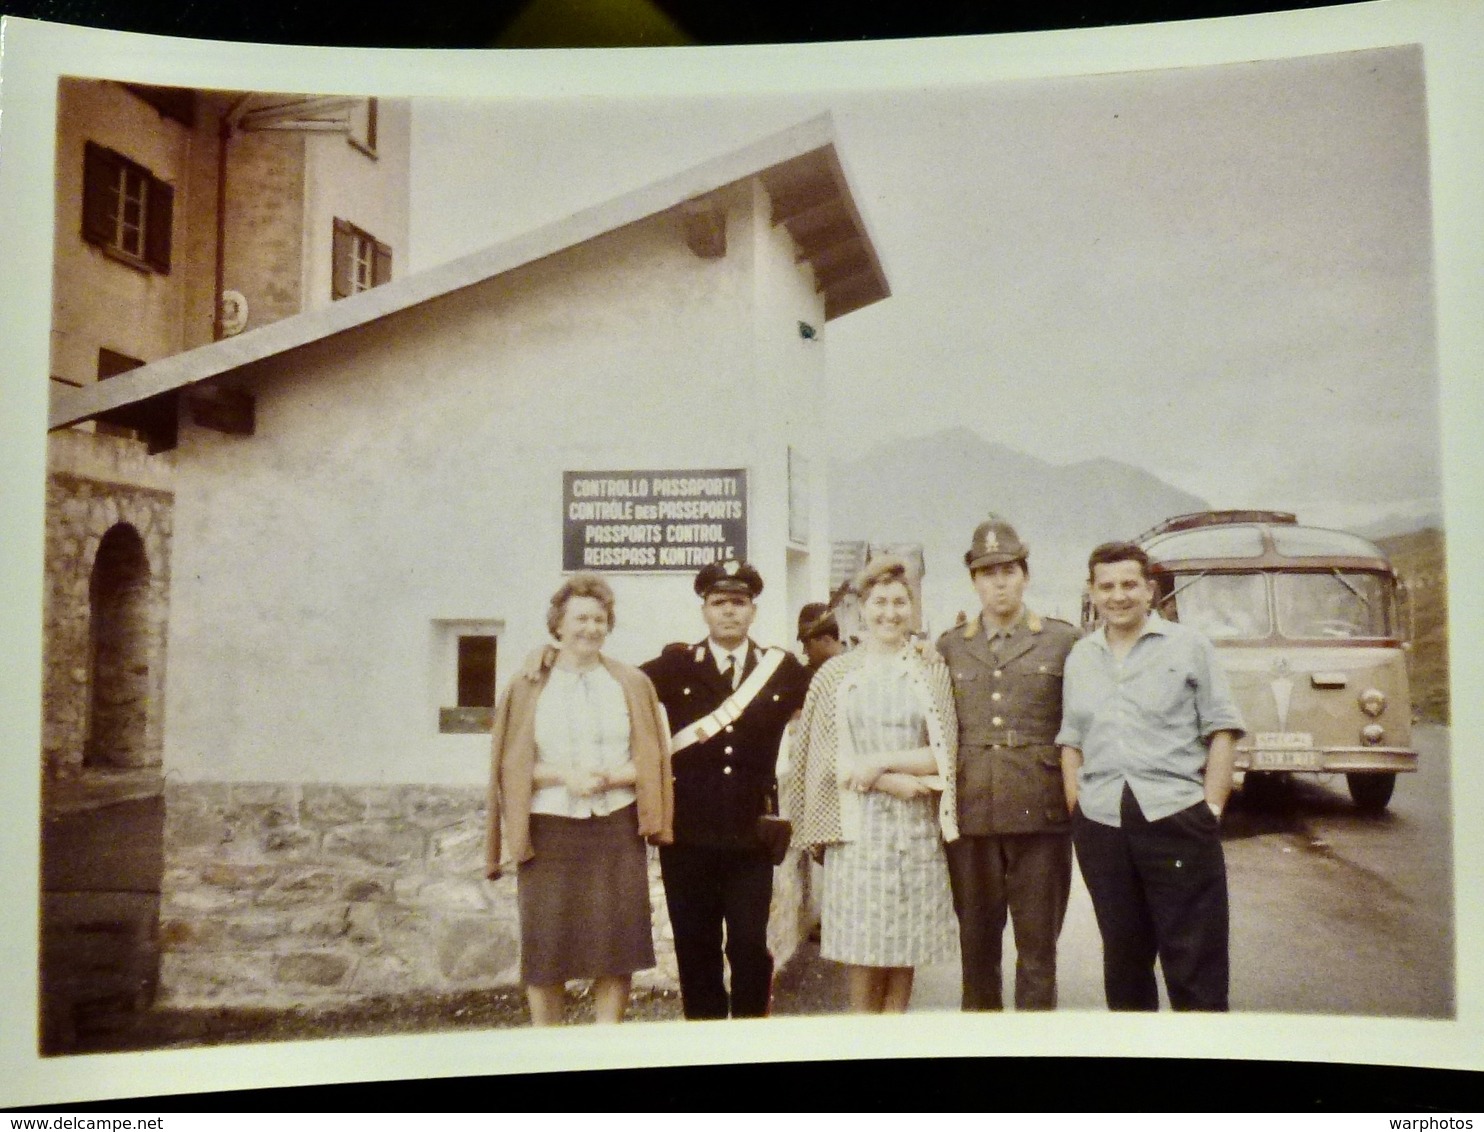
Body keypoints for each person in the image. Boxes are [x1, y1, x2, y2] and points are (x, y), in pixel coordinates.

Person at [1056, 542, 1245, 1011]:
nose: (1117, 596)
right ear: (1092, 592)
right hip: (1102, 826)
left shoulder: (1190, 646)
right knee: (1123, 964)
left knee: (1195, 966)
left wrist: (1212, 809)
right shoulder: (1081, 656)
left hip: (1177, 819)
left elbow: (1222, 728)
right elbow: (1071, 740)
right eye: (1106, 586)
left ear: (1150, 590)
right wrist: (1077, 808)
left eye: (1128, 585)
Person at [486, 574, 673, 1025]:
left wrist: (609, 778)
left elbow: (652, 759)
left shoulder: (630, 682)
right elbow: (510, 768)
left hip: (615, 826)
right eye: (580, 618)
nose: (590, 627)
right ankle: (551, 1051)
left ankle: (605, 1047)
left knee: (615, 946)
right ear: (558, 624)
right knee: (546, 945)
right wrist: (566, 777)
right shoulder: (528, 684)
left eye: (599, 618)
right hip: (549, 828)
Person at [788, 556, 960, 1013]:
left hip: (915, 829)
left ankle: (894, 1038)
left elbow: (944, 751)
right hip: (855, 827)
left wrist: (882, 765)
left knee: (905, 945)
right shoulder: (835, 675)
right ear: (861, 608)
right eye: (879, 602)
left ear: (913, 608)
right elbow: (823, 758)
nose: (890, 612)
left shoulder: (929, 670)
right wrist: (891, 782)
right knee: (864, 946)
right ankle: (863, 1039)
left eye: (899, 602)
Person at [640, 560, 810, 1019]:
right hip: (688, 837)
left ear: (753, 610)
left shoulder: (781, 669)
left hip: (750, 838)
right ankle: (705, 1045)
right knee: (697, 950)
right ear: (704, 610)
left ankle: (750, 1040)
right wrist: (553, 655)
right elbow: (617, 684)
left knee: (750, 946)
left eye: (739, 603)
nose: (729, 612)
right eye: (719, 603)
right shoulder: (675, 666)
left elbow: (833, 687)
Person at [936, 516, 1079, 1011]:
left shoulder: (1064, 641)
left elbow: (1082, 728)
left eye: (1009, 570)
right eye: (987, 572)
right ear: (974, 580)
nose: (999, 581)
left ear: (1025, 574)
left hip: (1041, 816)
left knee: (1038, 951)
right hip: (972, 816)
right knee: (976, 951)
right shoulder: (950, 646)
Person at [797, 601, 845, 679]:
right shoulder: (805, 676)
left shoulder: (854, 674)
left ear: (826, 640)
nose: (804, 651)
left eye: (808, 644)